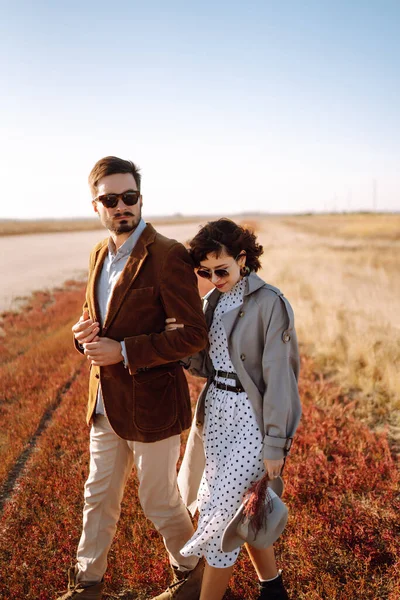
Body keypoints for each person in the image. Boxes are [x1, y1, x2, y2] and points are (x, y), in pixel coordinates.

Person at [56, 156, 209, 600]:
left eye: (130, 197)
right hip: (104, 402)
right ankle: (87, 584)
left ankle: (192, 575)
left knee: (159, 501)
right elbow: (95, 320)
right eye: (111, 199)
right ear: (96, 205)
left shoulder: (168, 255)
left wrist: (124, 351)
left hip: (153, 404)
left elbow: (193, 335)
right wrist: (81, 335)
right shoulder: (98, 254)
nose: (122, 206)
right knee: (97, 497)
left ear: (141, 199)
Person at [166, 219, 301, 600]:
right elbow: (205, 366)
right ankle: (273, 591)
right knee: (243, 507)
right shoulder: (210, 302)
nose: (214, 278)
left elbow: (281, 380)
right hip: (216, 415)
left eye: (221, 269)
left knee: (220, 515)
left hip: (250, 419)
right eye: (204, 272)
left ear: (242, 259)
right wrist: (181, 340)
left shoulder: (271, 303)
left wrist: (276, 443)